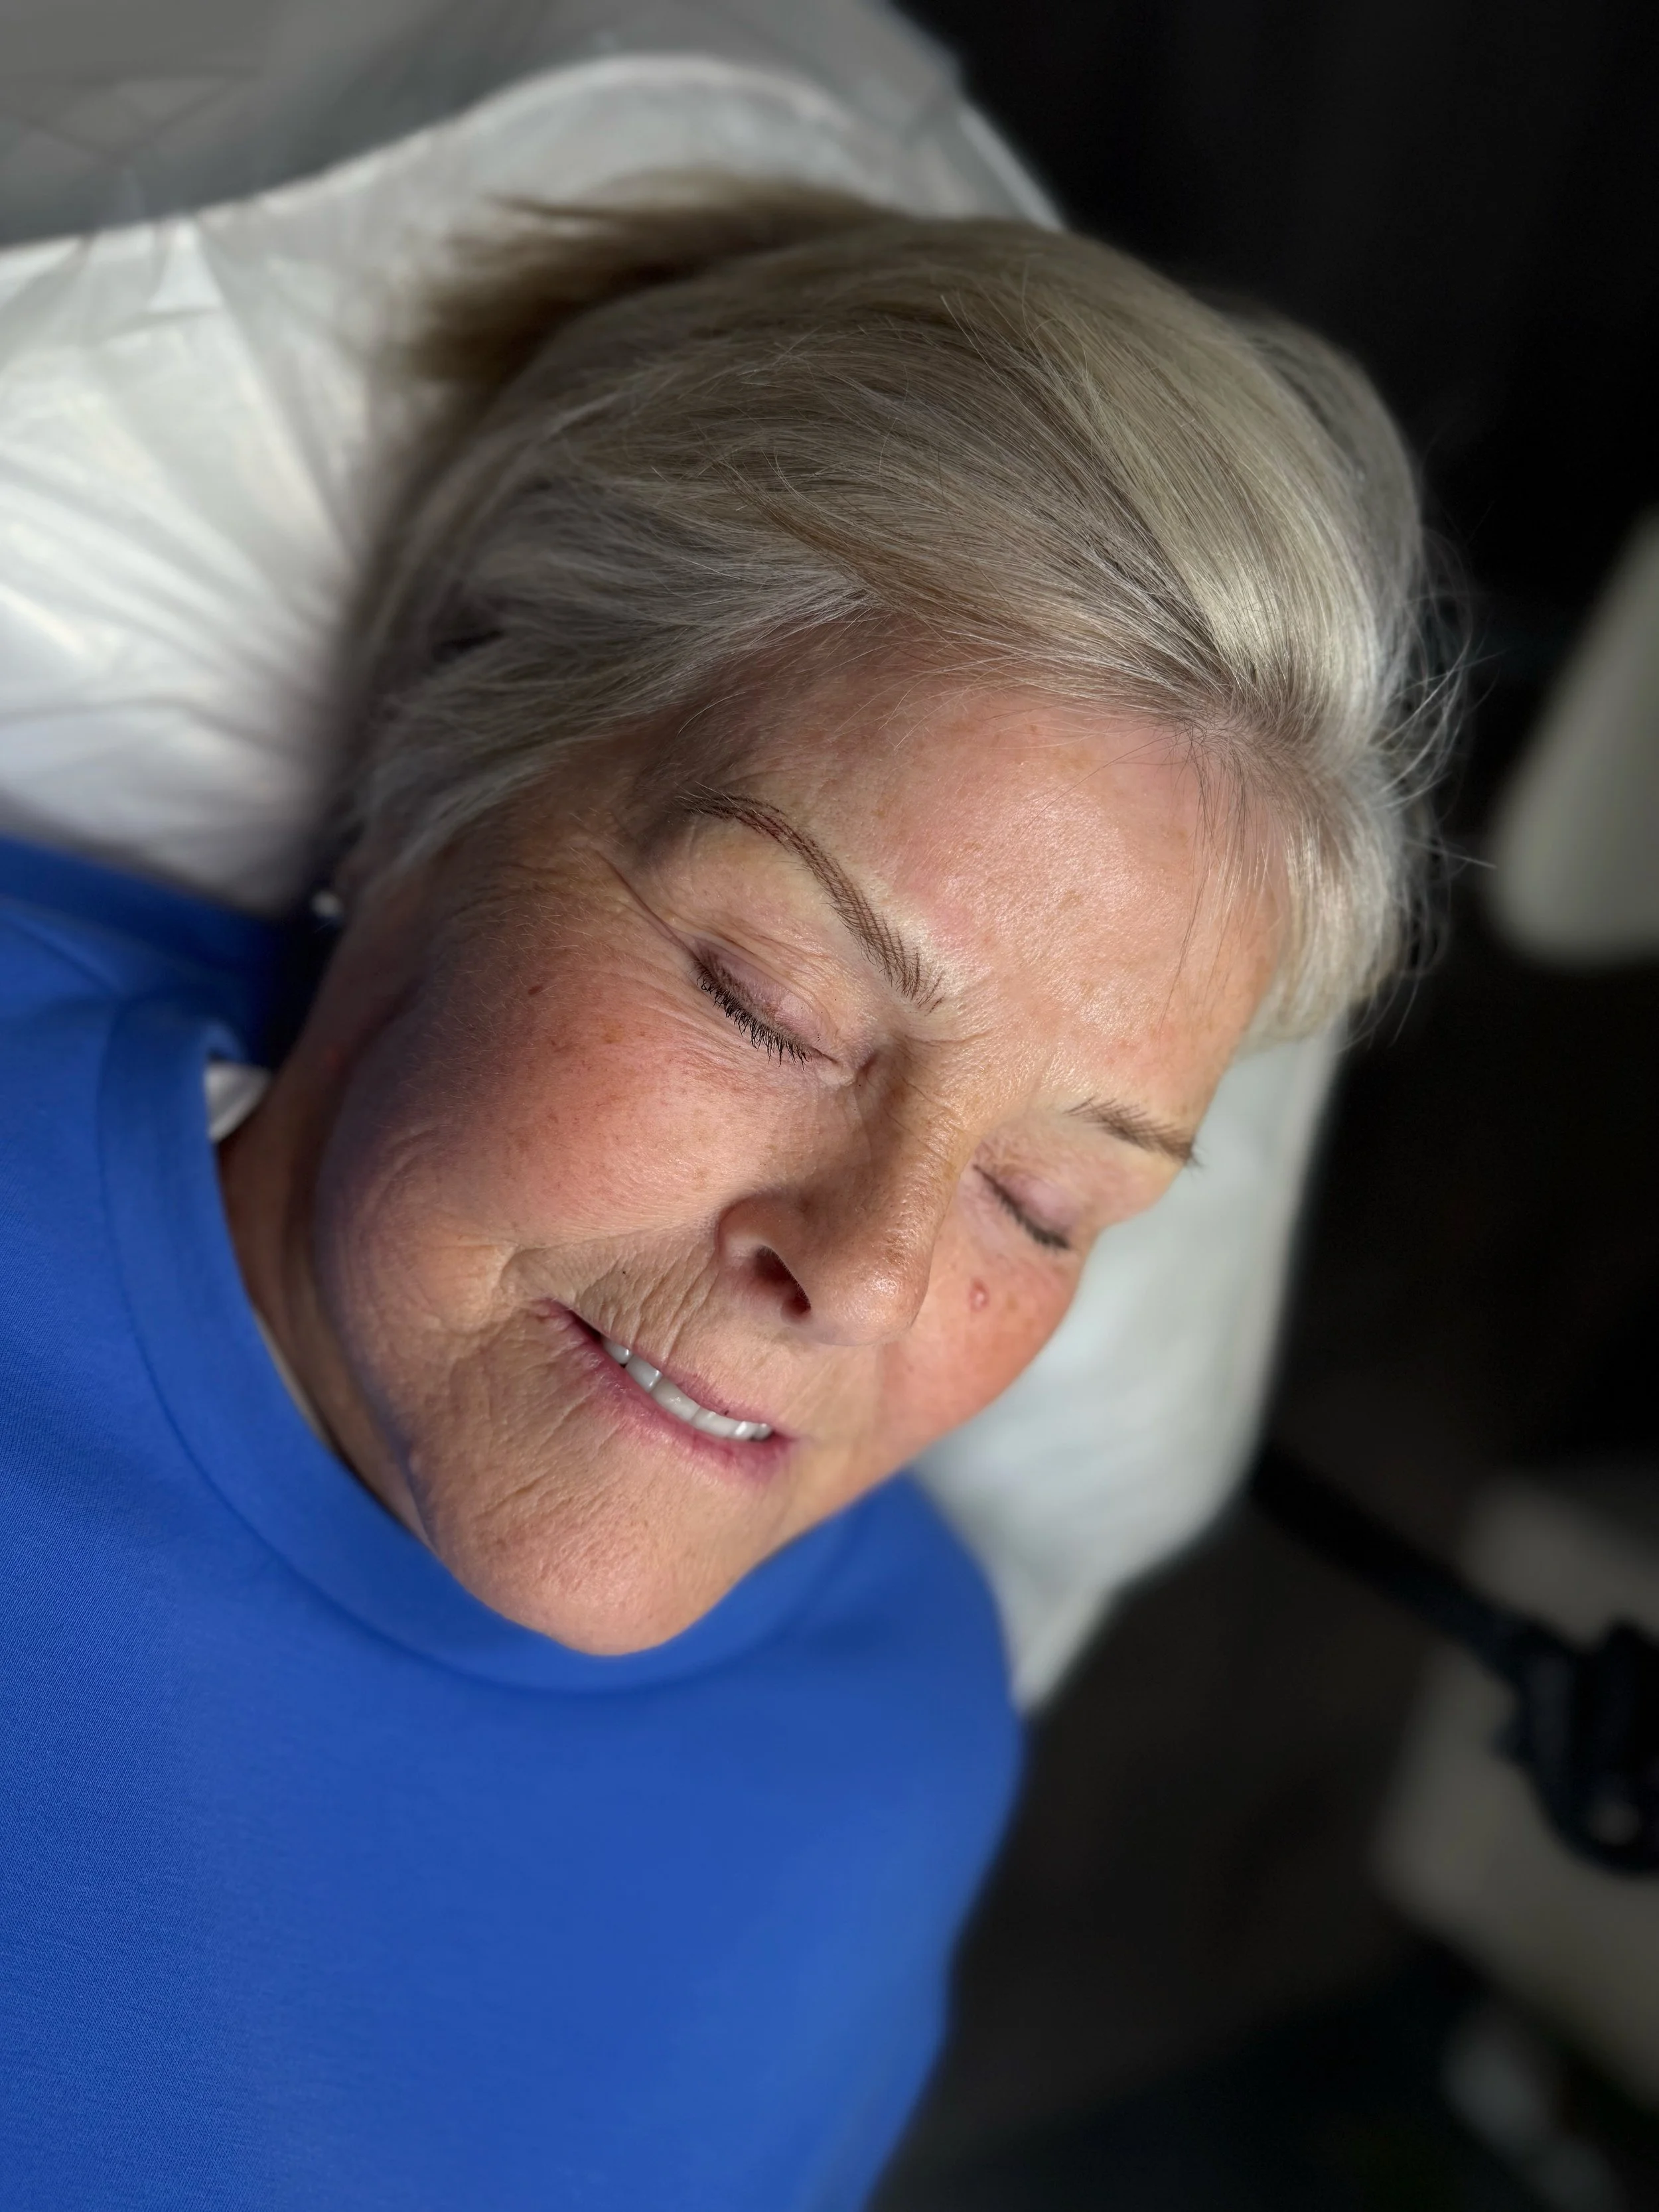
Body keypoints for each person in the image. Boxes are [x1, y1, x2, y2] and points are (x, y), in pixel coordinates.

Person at [0, 186, 1447, 2209]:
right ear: (445, 762)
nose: (854, 1270)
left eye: (1042, 1198)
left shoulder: (884, 1752)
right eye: (772, 1003)